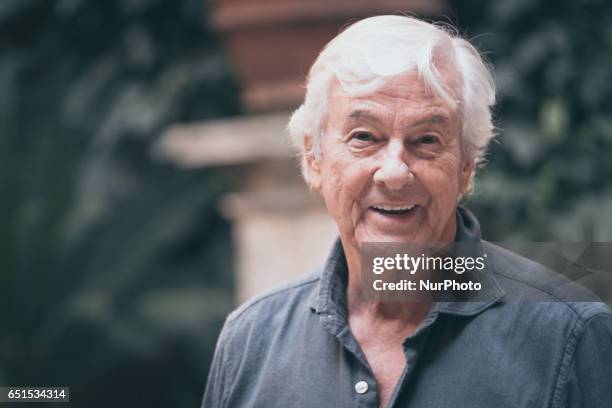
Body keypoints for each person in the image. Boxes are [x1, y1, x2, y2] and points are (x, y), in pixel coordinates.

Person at [202, 15, 612, 407]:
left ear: (467, 165)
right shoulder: (251, 340)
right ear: (314, 159)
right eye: (365, 136)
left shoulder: (569, 335)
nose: (395, 173)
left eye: (427, 140)